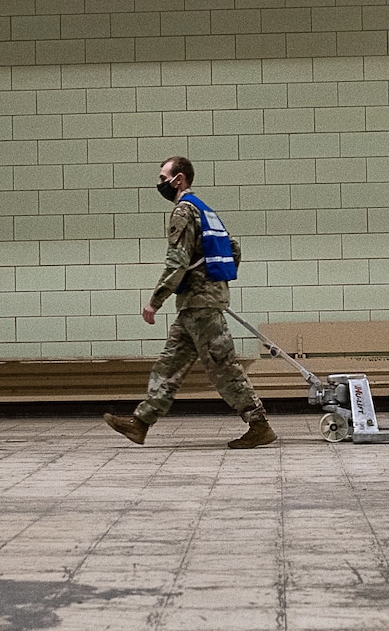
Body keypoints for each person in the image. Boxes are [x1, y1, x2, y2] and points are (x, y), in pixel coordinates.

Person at [103, 156, 278, 449]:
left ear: (179, 179)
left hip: (200, 306)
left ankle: (259, 424)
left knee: (223, 368)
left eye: (163, 177)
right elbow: (233, 247)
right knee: (169, 364)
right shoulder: (205, 210)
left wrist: (155, 301)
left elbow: (177, 261)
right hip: (195, 304)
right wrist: (215, 282)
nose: (160, 183)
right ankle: (140, 423)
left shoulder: (184, 211)